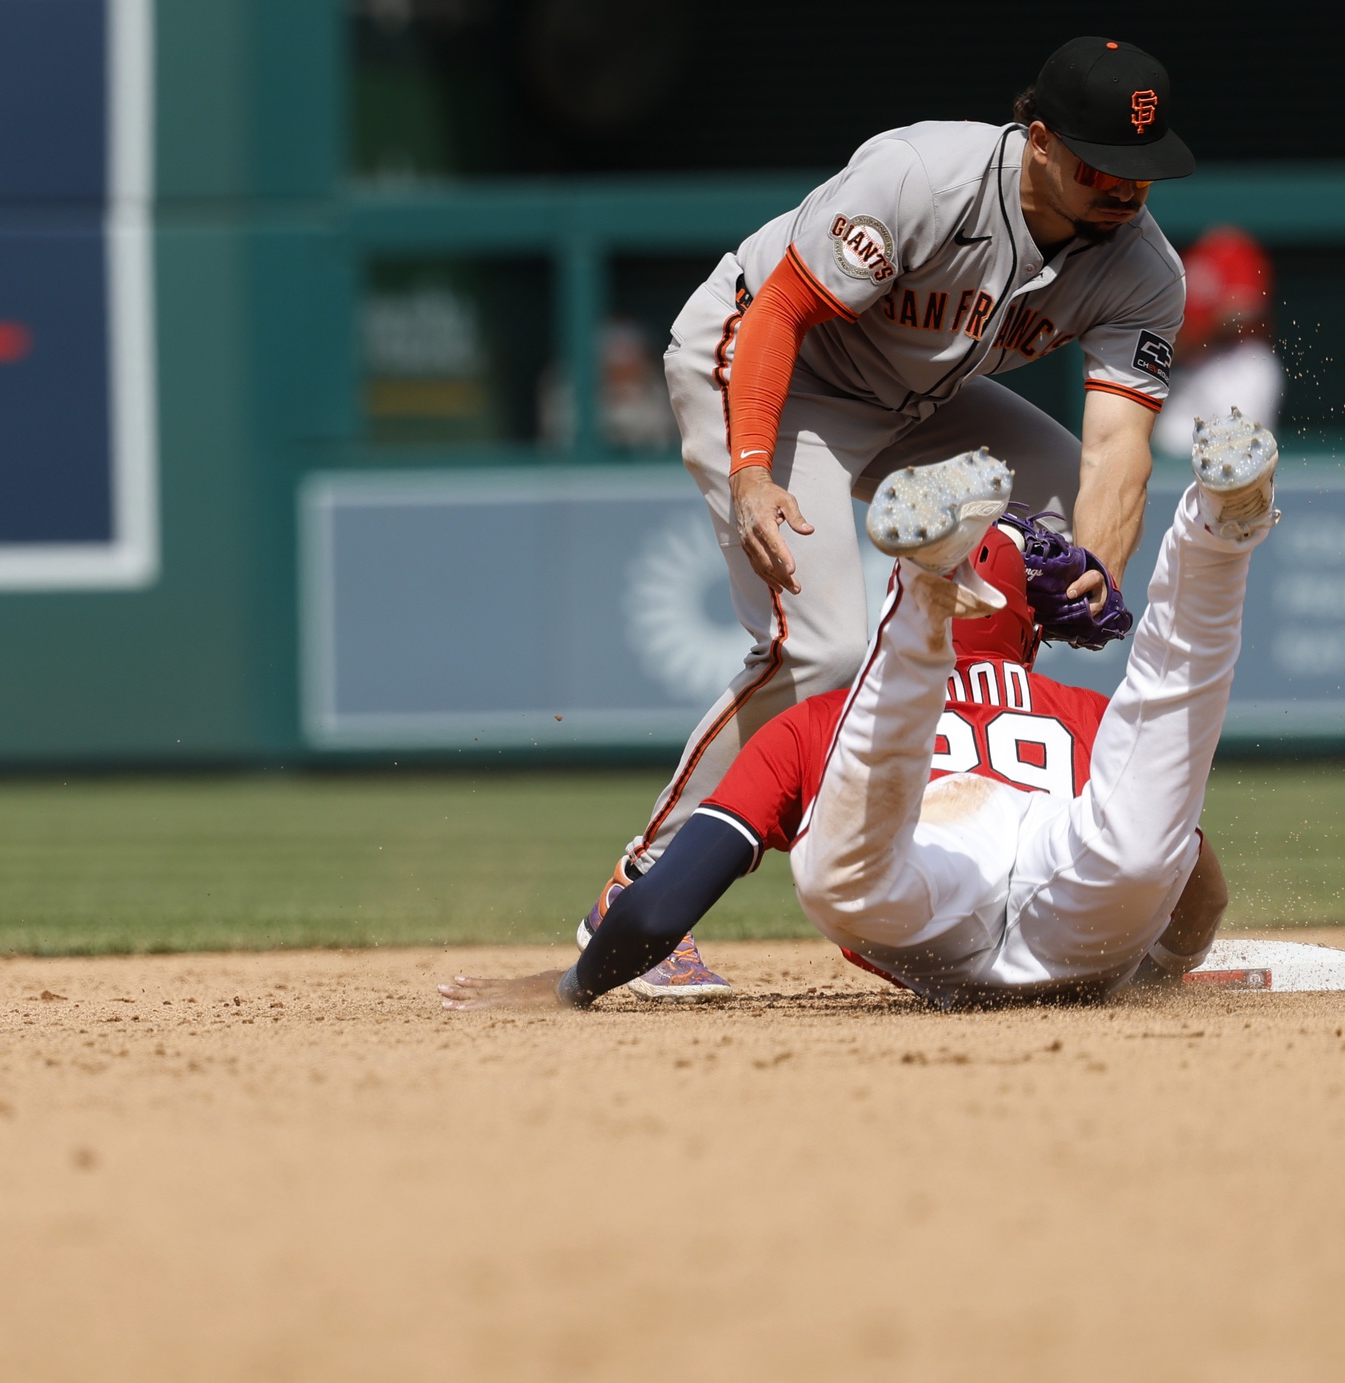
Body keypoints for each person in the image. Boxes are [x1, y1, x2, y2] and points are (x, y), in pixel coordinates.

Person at [607, 35, 1199, 999]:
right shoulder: (926, 175)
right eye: (1103, 163)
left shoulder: (1144, 270)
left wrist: (1098, 562)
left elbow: (1114, 449)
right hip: (765, 369)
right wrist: (753, 473)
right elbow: (780, 315)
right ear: (1040, 140)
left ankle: (980, 804)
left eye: (1143, 168)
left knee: (1050, 526)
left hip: (910, 401)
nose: (1126, 188)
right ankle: (637, 884)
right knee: (825, 649)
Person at [442, 412, 1277, 1011]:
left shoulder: (813, 721)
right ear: (1030, 618)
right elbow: (1197, 896)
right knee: (1167, 715)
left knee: (843, 870)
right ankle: (1213, 537)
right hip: (1085, 903)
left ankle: (923, 597)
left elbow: (659, 908)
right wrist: (1154, 973)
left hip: (920, 890)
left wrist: (573, 983)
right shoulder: (1083, 714)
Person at [1153, 227, 1282, 457]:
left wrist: (1197, 335)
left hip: (1239, 363)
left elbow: (1245, 310)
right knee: (1171, 441)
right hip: (1195, 370)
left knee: (1241, 450)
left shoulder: (1235, 250)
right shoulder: (1188, 259)